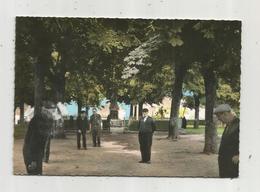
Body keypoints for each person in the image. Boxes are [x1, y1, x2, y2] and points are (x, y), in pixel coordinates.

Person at [23, 102, 55, 175]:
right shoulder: (38, 120)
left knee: (38, 174)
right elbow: (32, 141)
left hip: (38, 152)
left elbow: (42, 142)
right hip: (31, 153)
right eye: (52, 110)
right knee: (33, 174)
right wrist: (32, 160)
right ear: (45, 110)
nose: (53, 112)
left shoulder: (46, 120)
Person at [214, 104, 239, 178]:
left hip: (233, 165)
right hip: (225, 163)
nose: (218, 119)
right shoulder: (229, 125)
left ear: (225, 114)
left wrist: (240, 155)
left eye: (219, 116)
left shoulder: (240, 124)